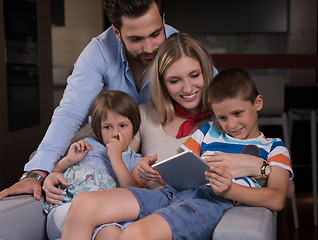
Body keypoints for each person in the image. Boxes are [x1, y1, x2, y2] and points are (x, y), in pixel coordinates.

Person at [59, 33, 272, 240]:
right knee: (84, 205)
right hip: (150, 200)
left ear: (206, 72)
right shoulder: (141, 115)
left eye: (195, 75)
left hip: (189, 210)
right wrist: (52, 171)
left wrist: (261, 167)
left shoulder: (227, 121)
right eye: (174, 80)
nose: (188, 88)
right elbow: (112, 156)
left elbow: (281, 185)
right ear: (162, 83)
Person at [0, 0, 178, 201]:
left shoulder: (180, 46)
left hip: (160, 124)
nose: (149, 48)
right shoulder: (99, 50)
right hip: (114, 126)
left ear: (163, 21)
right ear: (117, 33)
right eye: (136, 39)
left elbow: (213, 95)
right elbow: (71, 112)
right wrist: (35, 173)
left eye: (156, 34)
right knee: (42, 159)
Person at [183, 68, 293, 209]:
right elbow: (181, 166)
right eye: (222, 117)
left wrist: (229, 190)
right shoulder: (207, 131)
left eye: (238, 113)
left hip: (207, 203)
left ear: (257, 103)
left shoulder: (275, 148)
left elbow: (277, 200)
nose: (232, 125)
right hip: (184, 194)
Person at [44, 91, 146, 239]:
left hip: (105, 219)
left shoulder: (135, 160)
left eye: (123, 125)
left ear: (134, 126)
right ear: (98, 128)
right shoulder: (88, 146)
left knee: (112, 233)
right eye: (107, 127)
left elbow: (136, 195)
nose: (115, 133)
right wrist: (69, 160)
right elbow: (55, 173)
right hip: (67, 210)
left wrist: (116, 159)